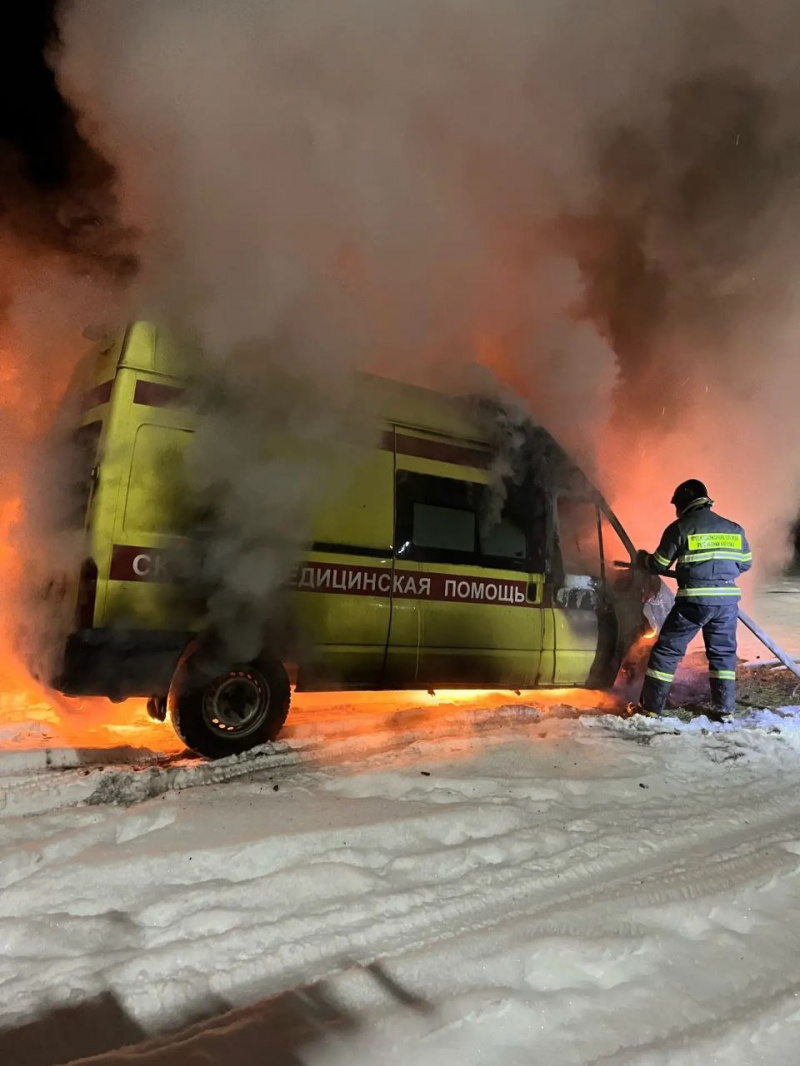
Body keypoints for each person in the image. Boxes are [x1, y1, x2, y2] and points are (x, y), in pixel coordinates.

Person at [635, 479, 752, 717]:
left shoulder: (680, 528)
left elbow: (658, 564)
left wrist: (643, 560)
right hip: (726, 604)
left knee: (667, 651)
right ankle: (725, 709)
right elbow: (745, 564)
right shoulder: (734, 528)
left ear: (683, 504)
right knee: (722, 655)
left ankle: (650, 708)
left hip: (694, 602)